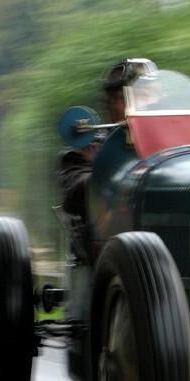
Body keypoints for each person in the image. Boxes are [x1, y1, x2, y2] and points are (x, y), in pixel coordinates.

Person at [55, 59, 141, 262]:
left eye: (142, 98)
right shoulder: (88, 147)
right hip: (105, 253)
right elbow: (74, 195)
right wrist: (102, 168)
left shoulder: (170, 149)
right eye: (124, 98)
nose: (134, 107)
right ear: (108, 105)